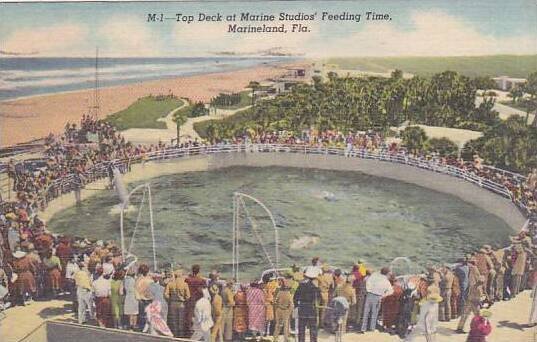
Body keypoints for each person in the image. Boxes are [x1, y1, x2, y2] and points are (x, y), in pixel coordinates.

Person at [359, 267, 393, 333]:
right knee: (374, 314)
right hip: (378, 296)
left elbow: (368, 282)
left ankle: (363, 329)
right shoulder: (386, 281)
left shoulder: (374, 276)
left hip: (370, 295)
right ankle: (372, 328)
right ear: (387, 273)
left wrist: (369, 290)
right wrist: (383, 295)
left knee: (366, 313)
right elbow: (391, 291)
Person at [294, 266, 321, 342]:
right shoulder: (315, 287)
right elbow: (319, 298)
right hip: (312, 309)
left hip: (302, 308)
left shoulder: (300, 285)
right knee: (313, 329)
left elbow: (295, 298)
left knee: (301, 329)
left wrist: (297, 306)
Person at [165, 269, 190, 337]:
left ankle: (175, 334)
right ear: (181, 276)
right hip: (181, 304)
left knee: (174, 320)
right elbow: (188, 296)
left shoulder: (170, 284)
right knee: (181, 320)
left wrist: (170, 299)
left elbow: (166, 294)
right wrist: (184, 300)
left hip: (173, 303)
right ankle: (180, 335)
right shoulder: (185, 284)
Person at [185, 264, 206, 336]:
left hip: (189, 299)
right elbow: (204, 291)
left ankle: (189, 331)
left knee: (189, 315)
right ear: (199, 271)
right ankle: (196, 332)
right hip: (198, 300)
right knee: (197, 316)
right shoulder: (201, 280)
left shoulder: (188, 280)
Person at [135, 264, 153, 330]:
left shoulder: (138, 279)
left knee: (142, 314)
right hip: (149, 298)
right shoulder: (149, 279)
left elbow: (136, 289)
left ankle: (142, 327)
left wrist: (138, 297)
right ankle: (148, 327)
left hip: (141, 299)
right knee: (149, 314)